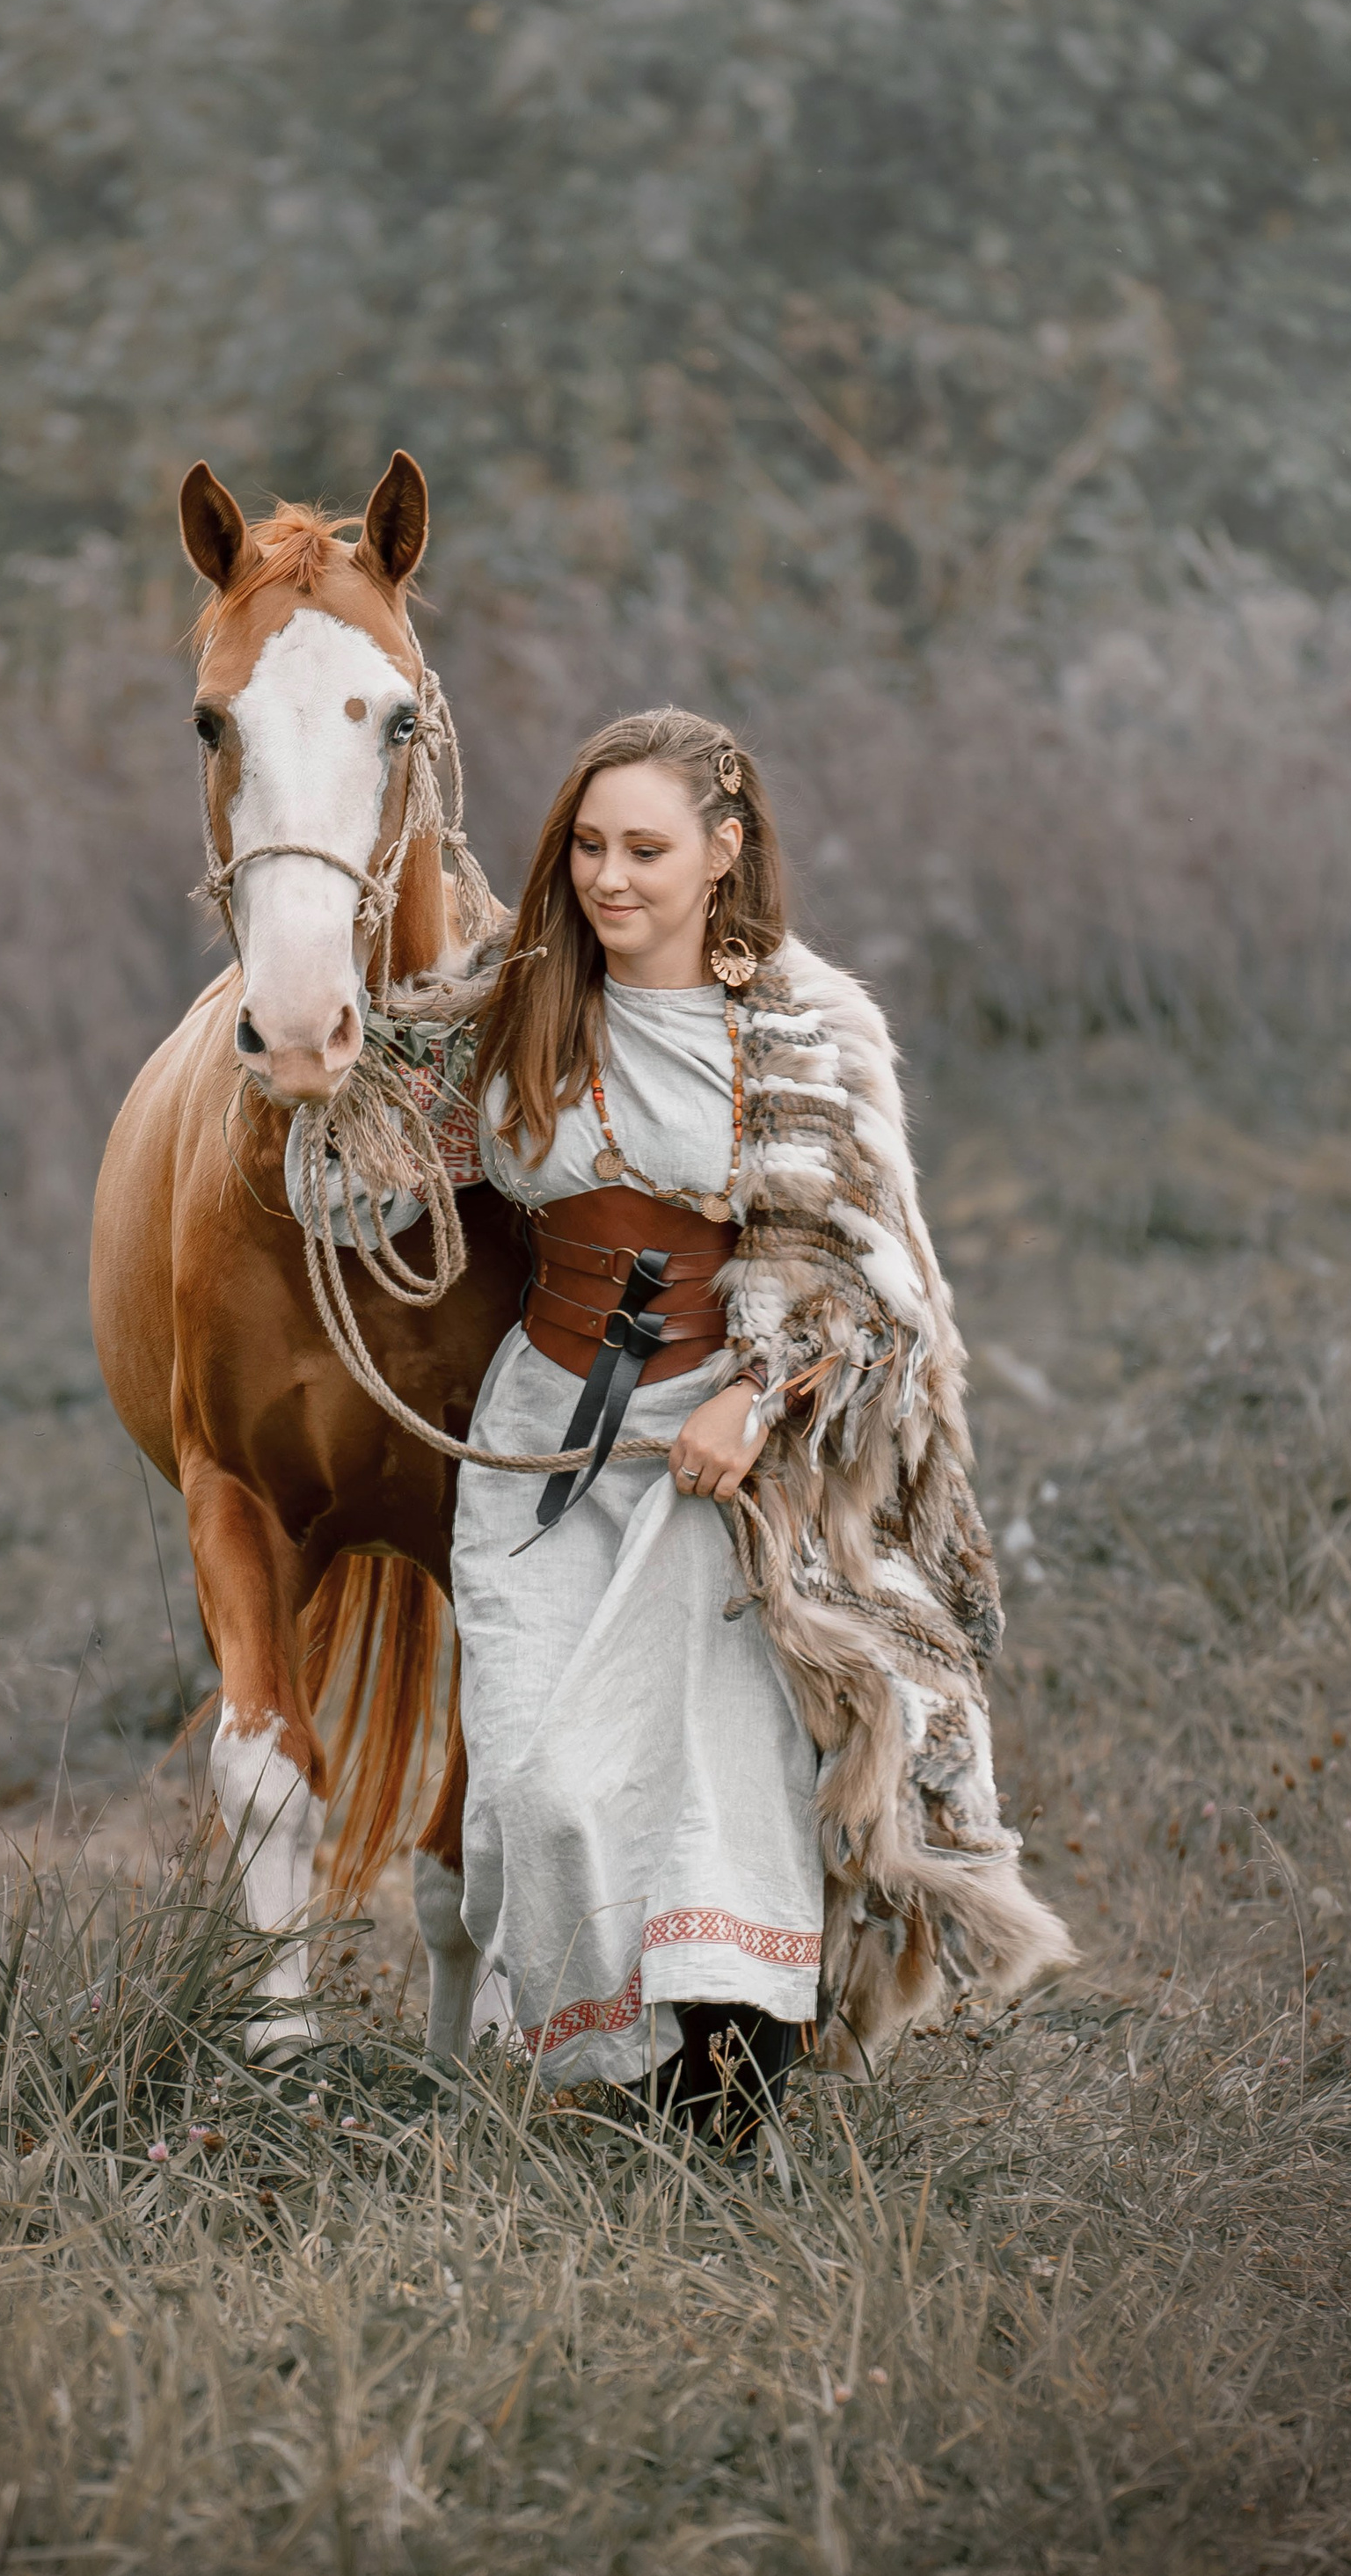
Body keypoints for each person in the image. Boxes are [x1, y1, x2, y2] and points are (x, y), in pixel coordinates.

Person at [292, 708, 1070, 2136]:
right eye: (587, 846)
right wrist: (320, 1065)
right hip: (545, 1437)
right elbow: (369, 1184)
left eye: (646, 848)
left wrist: (753, 1395)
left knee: (714, 1782)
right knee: (539, 1780)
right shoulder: (511, 1001)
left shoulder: (802, 1035)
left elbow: (867, 1279)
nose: (609, 878)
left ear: (724, 851)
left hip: (726, 1453)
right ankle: (611, 2061)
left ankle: (721, 2113)